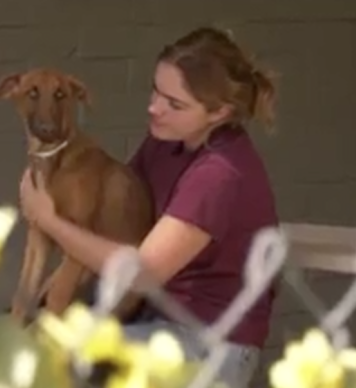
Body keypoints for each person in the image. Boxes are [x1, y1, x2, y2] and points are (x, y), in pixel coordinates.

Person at [17, 26, 281, 388]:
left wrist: (47, 217)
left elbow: (141, 271)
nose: (154, 108)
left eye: (175, 104)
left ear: (219, 112)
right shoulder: (166, 142)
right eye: (156, 91)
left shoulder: (219, 175)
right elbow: (114, 224)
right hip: (149, 317)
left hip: (207, 346)